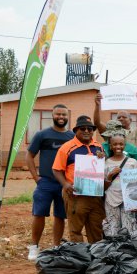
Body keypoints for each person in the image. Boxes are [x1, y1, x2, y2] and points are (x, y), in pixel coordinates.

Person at [25, 104, 74, 261]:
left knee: (60, 215)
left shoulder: (72, 137)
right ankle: (34, 247)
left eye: (64, 114)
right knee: (39, 213)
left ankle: (56, 247)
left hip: (64, 183)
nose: (61, 117)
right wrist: (36, 178)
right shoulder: (42, 134)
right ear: (52, 115)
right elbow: (29, 155)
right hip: (45, 182)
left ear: (68, 116)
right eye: (58, 114)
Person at [52, 115, 106, 243]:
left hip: (95, 195)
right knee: (75, 230)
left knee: (96, 228)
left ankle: (95, 253)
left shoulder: (98, 146)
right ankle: (80, 254)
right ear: (76, 130)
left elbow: (103, 167)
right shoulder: (67, 147)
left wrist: (103, 157)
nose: (86, 131)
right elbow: (56, 169)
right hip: (76, 195)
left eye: (90, 129)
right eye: (82, 128)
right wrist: (65, 185)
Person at [101, 133, 137, 237]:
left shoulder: (132, 162)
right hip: (111, 200)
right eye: (114, 144)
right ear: (110, 146)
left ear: (125, 145)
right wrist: (110, 176)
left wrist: (136, 203)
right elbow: (103, 187)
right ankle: (114, 248)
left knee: (129, 231)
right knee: (113, 231)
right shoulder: (106, 163)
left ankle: (129, 248)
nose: (118, 146)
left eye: (121, 144)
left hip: (128, 201)